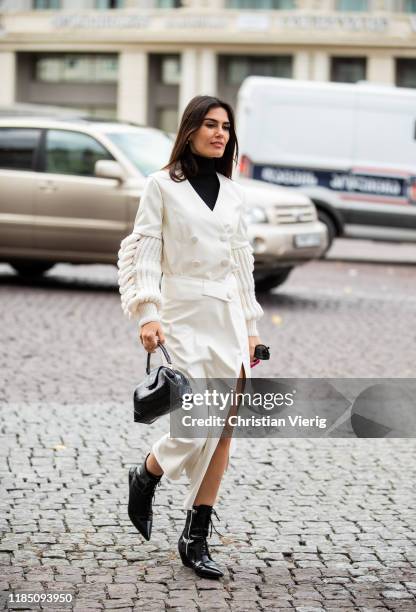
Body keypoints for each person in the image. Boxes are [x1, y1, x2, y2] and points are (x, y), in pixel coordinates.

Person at [117, 95, 264, 579]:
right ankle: (148, 472)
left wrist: (252, 328)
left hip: (227, 317)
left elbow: (241, 265)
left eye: (226, 126)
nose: (220, 133)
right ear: (190, 129)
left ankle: (194, 536)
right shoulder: (161, 185)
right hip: (180, 314)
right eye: (210, 124)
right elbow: (145, 254)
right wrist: (147, 313)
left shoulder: (233, 192)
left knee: (224, 431)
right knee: (195, 424)